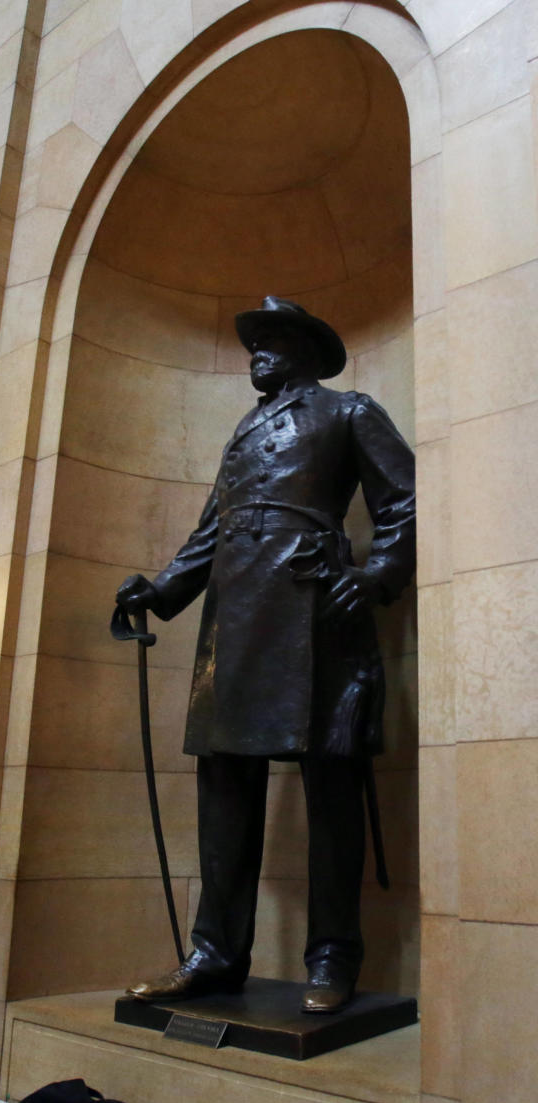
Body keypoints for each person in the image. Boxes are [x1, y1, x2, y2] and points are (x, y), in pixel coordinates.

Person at [116, 296, 416, 1013]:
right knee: (225, 787)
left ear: (308, 349)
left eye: (273, 340)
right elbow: (212, 529)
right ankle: (215, 956)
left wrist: (375, 576)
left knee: (331, 788)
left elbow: (406, 500)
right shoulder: (245, 430)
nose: (257, 352)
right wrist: (160, 591)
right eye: (255, 342)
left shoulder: (350, 412)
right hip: (236, 622)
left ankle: (332, 958)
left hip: (314, 610)